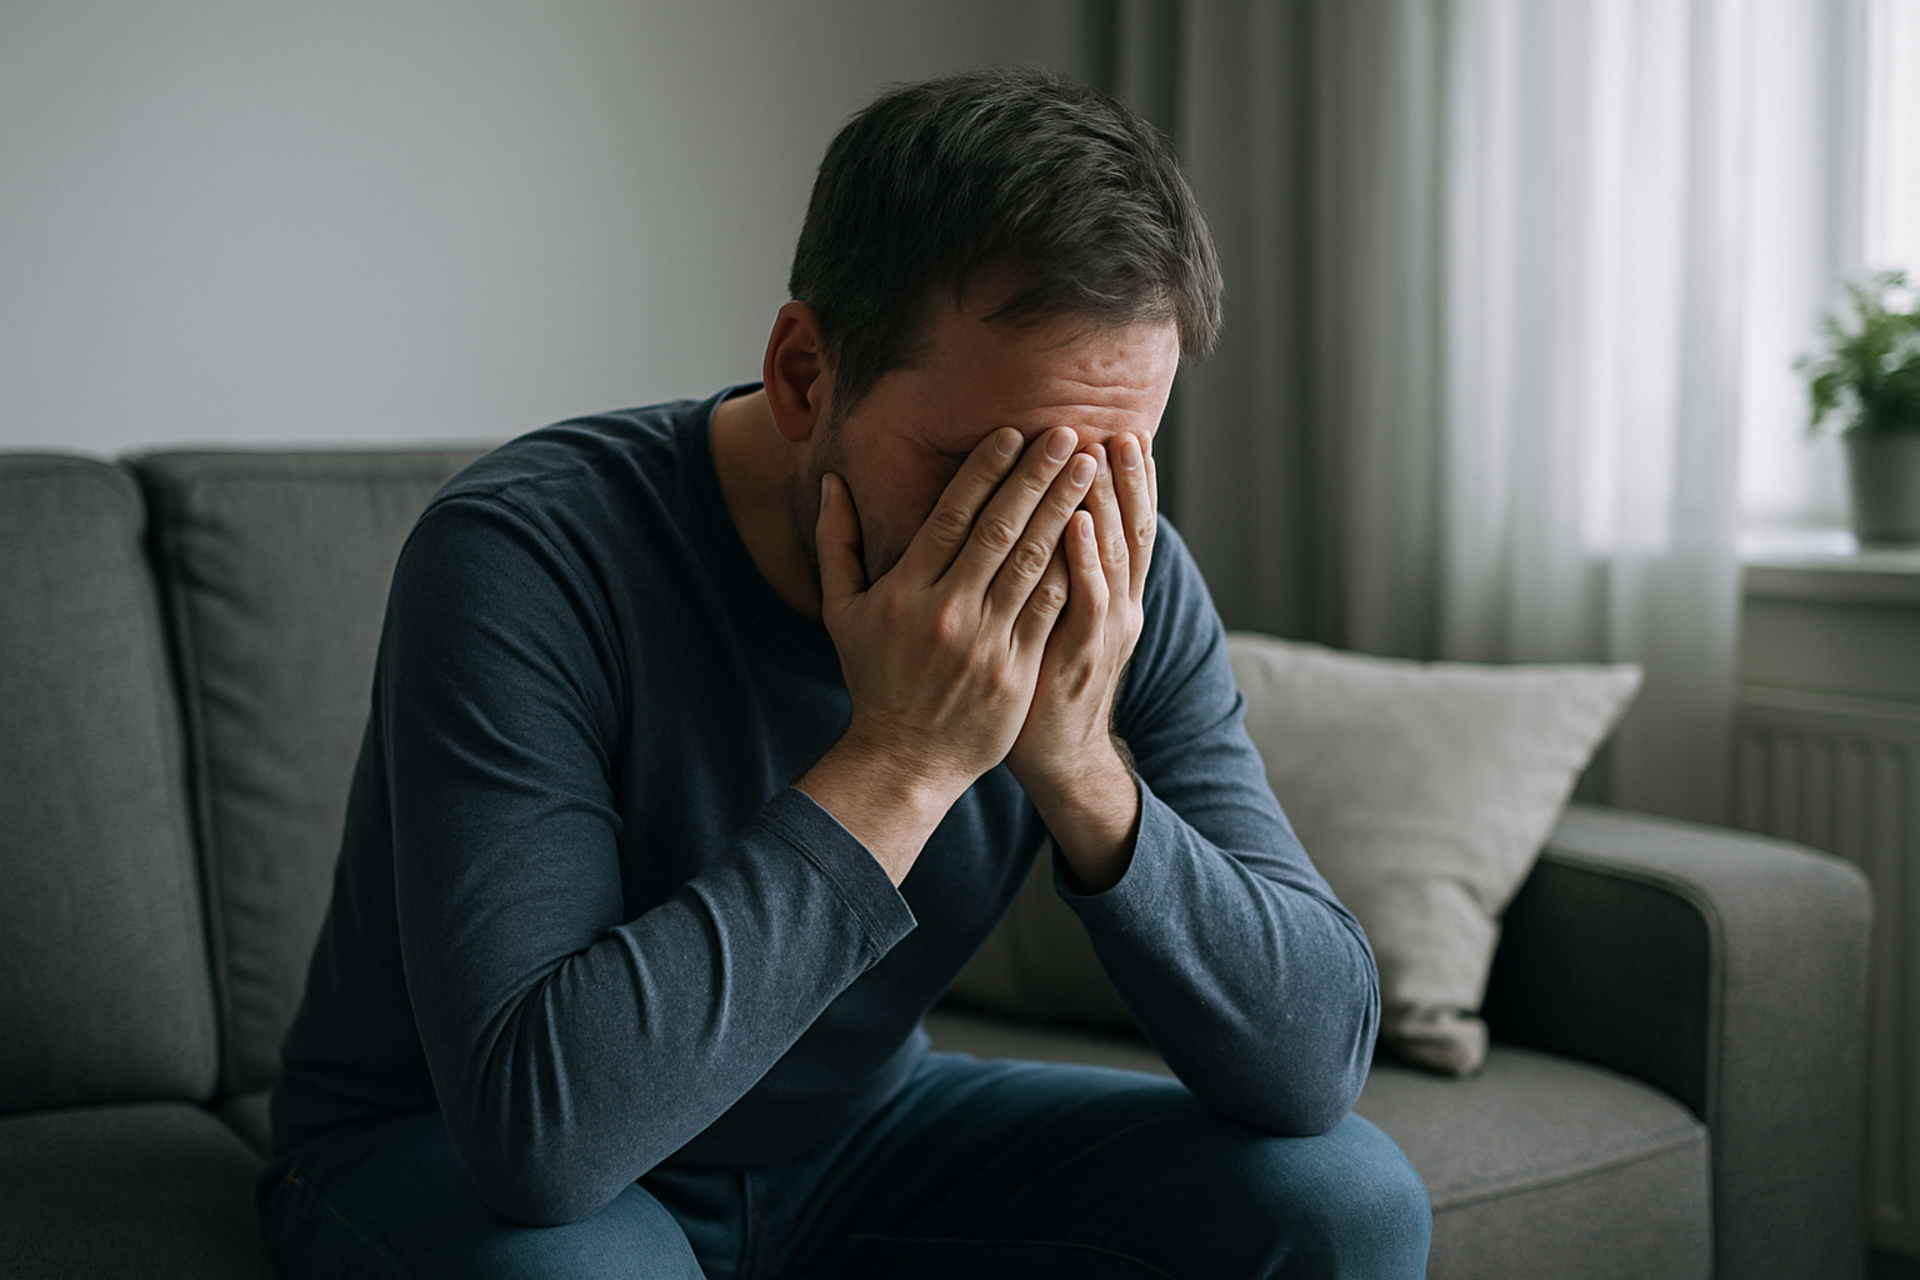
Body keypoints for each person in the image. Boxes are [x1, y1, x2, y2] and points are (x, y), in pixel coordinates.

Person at [258, 67, 1431, 1279]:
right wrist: (905, 758)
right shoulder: (524, 556)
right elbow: (539, 1134)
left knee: (1346, 1200)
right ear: (805, 373)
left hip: (850, 1138)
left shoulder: (1120, 572)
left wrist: (1082, 766)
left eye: (1102, 468)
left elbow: (1315, 1062)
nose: (1029, 539)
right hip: (441, 1149)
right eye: (980, 465)